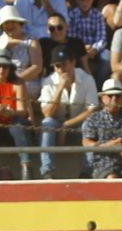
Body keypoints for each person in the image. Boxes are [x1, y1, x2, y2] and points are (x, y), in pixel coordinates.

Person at [38, 47, 98, 179]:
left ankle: (87, 171)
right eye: (57, 66)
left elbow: (92, 109)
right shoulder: (48, 82)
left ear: (73, 62)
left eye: (63, 64)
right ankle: (47, 171)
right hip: (55, 124)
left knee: (89, 124)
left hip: (78, 124)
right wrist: (59, 89)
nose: (60, 69)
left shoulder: (87, 79)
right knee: (47, 123)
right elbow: (47, 113)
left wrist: (66, 125)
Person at [81, 78, 122, 178]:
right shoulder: (93, 119)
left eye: (117, 96)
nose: (114, 99)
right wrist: (107, 146)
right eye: (110, 95)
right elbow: (86, 142)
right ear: (102, 98)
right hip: (102, 164)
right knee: (111, 178)